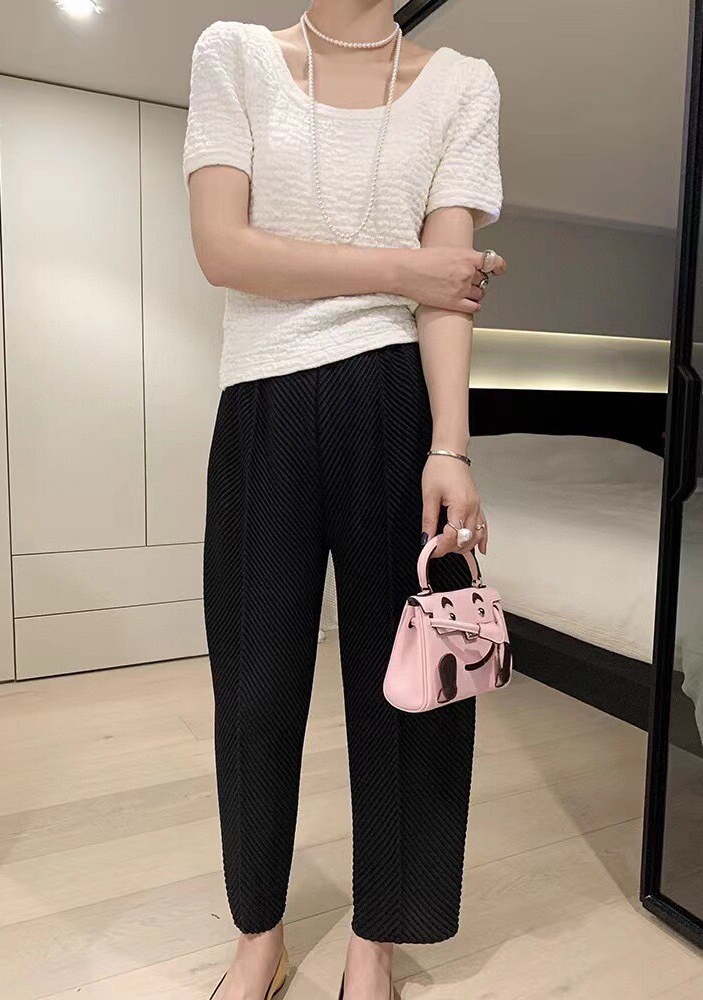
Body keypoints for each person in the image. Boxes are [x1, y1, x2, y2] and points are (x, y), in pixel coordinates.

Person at [184, 3, 506, 998]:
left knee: (409, 689)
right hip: (263, 401)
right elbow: (223, 251)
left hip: (397, 404)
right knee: (254, 687)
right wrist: (403, 268)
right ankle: (259, 936)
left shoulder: (462, 83)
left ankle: (378, 942)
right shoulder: (234, 54)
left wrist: (450, 445)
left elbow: (450, 292)